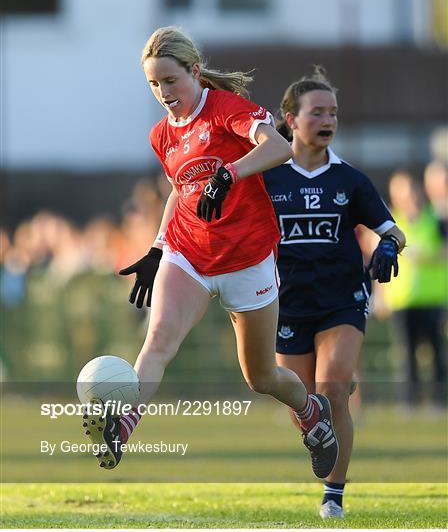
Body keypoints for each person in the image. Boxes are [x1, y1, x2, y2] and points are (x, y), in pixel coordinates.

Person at [82, 27, 339, 480]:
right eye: (153, 84)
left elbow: (279, 147)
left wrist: (229, 174)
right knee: (158, 340)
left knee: (261, 378)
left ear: (195, 72)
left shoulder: (225, 110)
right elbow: (179, 192)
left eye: (170, 81)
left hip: (248, 258)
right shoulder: (161, 135)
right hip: (190, 253)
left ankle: (312, 414)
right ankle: (122, 427)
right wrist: (158, 247)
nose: (163, 92)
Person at [263, 66, 406, 519]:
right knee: (304, 404)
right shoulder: (266, 178)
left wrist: (387, 244)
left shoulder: (350, 179)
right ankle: (321, 420)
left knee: (334, 386)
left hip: (343, 298)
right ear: (290, 118)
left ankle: (334, 498)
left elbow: (395, 230)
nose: (328, 120)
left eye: (334, 113)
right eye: (317, 112)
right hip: (286, 305)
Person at [375, 170, 447, 410]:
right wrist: (381, 296)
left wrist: (426, 256)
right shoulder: (391, 223)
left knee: (436, 352)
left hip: (433, 297)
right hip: (402, 300)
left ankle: (439, 401)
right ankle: (409, 402)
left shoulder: (435, 219)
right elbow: (378, 261)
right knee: (406, 354)